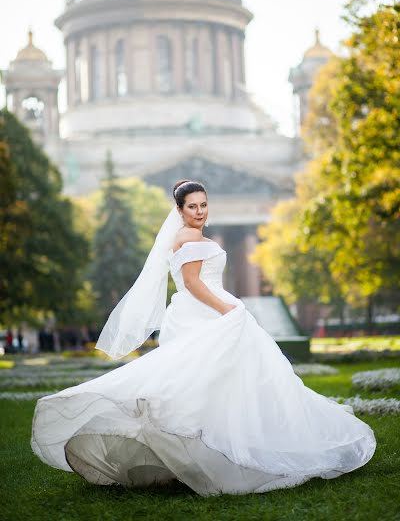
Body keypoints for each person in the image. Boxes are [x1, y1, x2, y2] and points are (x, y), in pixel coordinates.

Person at [31, 179, 376, 496]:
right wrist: (227, 310)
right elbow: (195, 283)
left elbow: (190, 284)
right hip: (207, 311)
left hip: (189, 312)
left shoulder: (181, 237)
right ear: (179, 210)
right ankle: (224, 452)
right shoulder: (192, 238)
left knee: (203, 384)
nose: (199, 211)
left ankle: (201, 452)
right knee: (223, 382)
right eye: (192, 206)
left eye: (204, 205)